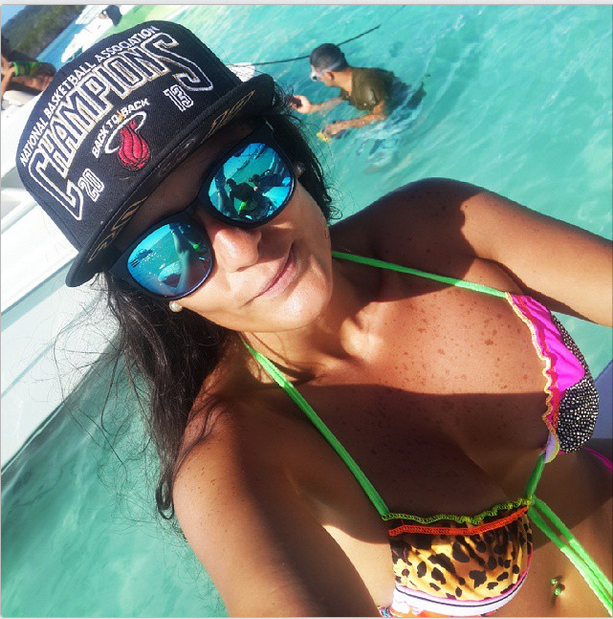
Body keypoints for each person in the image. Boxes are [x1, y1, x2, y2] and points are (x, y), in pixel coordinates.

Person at [17, 21, 612, 617]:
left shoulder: (440, 229)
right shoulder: (234, 458)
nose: (241, 249)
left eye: (244, 179)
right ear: (157, 296)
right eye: (168, 251)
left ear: (291, 157)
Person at [290, 43, 425, 140]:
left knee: (376, 165)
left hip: (410, 112)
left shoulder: (367, 83)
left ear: (328, 75)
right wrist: (313, 108)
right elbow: (343, 98)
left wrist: (345, 125)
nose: (319, 80)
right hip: (397, 114)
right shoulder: (349, 84)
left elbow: (382, 115)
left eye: (316, 77)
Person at [1, 35, 55, 103]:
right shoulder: (2, 77)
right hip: (43, 98)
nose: (7, 40)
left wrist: (44, 67)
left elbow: (48, 67)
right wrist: (11, 72)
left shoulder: (16, 55)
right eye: (2, 40)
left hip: (54, 83)